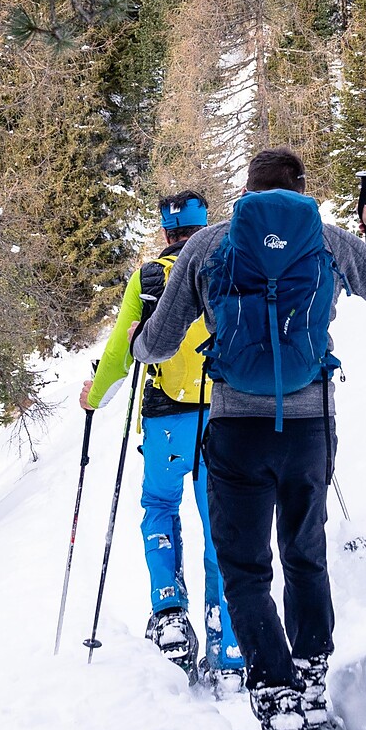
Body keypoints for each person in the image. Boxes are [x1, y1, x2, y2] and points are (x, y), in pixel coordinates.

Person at [132, 148, 366, 730]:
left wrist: (137, 340)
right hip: (310, 430)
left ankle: (278, 711)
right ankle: (312, 687)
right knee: (304, 553)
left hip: (236, 429)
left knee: (244, 570)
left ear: (244, 192)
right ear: (301, 189)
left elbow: (158, 344)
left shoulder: (209, 246)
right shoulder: (327, 240)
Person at [81, 191, 247, 685]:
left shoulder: (148, 278)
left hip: (165, 419)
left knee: (158, 503)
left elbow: (120, 353)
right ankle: (228, 629)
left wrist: (95, 397)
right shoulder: (226, 262)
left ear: (165, 232)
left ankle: (169, 612)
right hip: (224, 412)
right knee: (221, 516)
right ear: (204, 224)